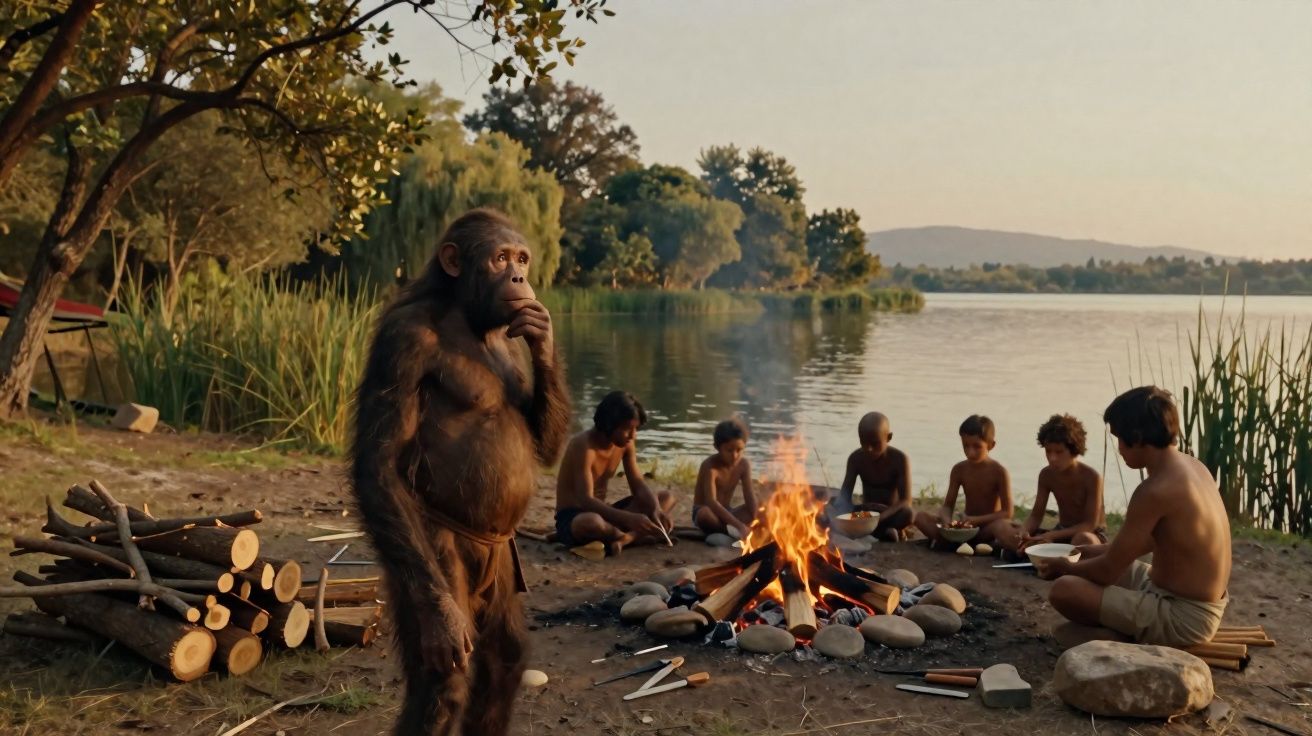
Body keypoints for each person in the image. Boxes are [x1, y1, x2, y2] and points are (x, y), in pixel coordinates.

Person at [1036, 386, 1230, 646]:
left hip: (1184, 617)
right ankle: (1123, 626)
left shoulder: (1155, 490)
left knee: (1065, 589)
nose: (1119, 449)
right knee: (1087, 558)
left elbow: (1106, 572)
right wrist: (1086, 551)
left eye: (1120, 439)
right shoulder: (1194, 466)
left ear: (1137, 437)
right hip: (1170, 592)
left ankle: (1123, 637)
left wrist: (1065, 567)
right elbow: (1155, 541)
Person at [554, 391, 676, 554]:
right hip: (575, 516)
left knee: (666, 498)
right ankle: (628, 536)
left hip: (606, 514)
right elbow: (586, 500)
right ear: (609, 423)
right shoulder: (583, 446)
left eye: (635, 429)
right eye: (627, 429)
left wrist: (655, 510)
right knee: (591, 523)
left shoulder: (626, 443)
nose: (632, 435)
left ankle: (625, 538)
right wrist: (628, 518)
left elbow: (638, 485)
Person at [995, 414, 1107, 553]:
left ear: (1074, 450)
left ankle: (1048, 558)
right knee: (1001, 527)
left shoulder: (1092, 477)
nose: (1052, 458)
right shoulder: (1046, 475)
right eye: (1048, 451)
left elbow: (1090, 525)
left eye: (1059, 452)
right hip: (1060, 532)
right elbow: (1036, 516)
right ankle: (1038, 556)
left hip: (1090, 535)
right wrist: (1024, 532)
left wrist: (1051, 535)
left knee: (1083, 540)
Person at [913, 415, 1013, 547]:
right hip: (964, 529)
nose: (970, 452)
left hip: (986, 529)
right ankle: (954, 542)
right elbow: (948, 506)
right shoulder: (959, 469)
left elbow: (1007, 512)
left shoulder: (999, 472)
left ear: (991, 445)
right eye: (966, 446)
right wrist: (947, 522)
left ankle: (953, 544)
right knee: (920, 517)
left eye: (977, 447)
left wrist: (976, 520)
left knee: (1001, 526)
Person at [828, 412, 914, 541]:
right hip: (864, 515)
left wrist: (881, 517)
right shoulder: (855, 458)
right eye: (864, 443)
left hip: (888, 514)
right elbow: (845, 495)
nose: (869, 449)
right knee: (831, 505)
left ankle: (876, 531)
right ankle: (880, 532)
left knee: (909, 514)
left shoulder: (900, 459)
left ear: (888, 437)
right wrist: (839, 505)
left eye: (875, 444)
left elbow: (906, 500)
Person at [692, 418, 758, 538]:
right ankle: (729, 532)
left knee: (763, 508)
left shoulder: (744, 465)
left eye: (739, 450)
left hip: (727, 512)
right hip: (709, 512)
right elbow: (711, 502)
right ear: (717, 447)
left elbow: (750, 497)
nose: (734, 456)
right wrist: (739, 525)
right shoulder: (710, 467)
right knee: (704, 514)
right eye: (729, 450)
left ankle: (728, 530)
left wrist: (756, 517)